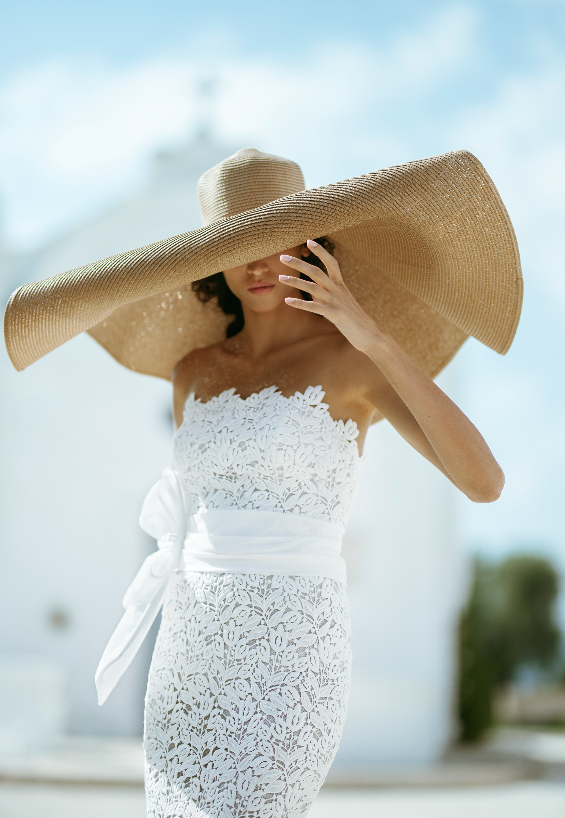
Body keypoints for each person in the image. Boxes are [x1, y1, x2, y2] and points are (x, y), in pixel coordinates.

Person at [4, 148, 523, 817]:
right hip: (188, 647)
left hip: (291, 656)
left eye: (273, 241)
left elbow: (483, 482)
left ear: (311, 245)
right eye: (235, 244)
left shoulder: (350, 362)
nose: (255, 263)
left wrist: (373, 338)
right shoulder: (192, 371)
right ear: (211, 258)